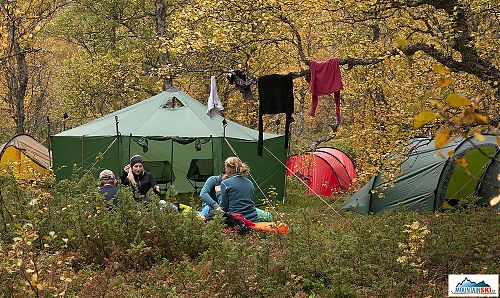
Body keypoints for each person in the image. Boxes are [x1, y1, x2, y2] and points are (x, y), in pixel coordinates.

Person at [216, 157, 260, 223]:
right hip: (254, 219)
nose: (225, 170)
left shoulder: (225, 183)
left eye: (225, 168)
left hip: (237, 220)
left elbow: (223, 208)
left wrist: (218, 192)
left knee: (212, 214)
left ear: (229, 169)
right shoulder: (250, 182)